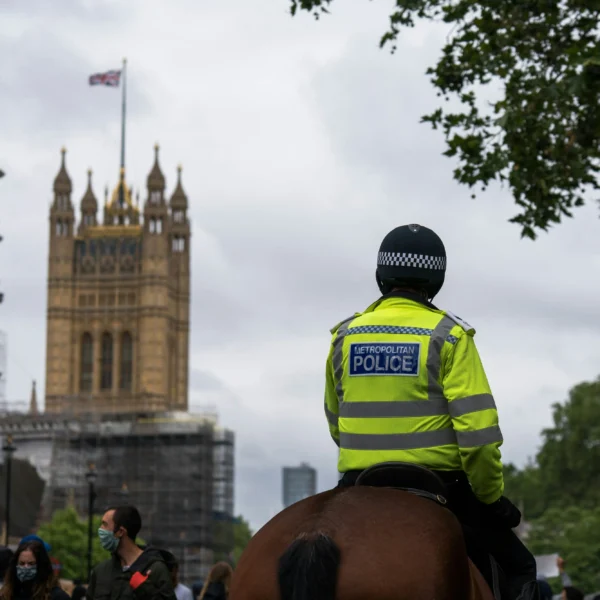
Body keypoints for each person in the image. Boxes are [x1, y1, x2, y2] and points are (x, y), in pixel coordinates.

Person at [324, 224, 539, 600]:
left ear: (381, 277)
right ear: (436, 280)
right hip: (442, 489)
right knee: (520, 566)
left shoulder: (346, 335)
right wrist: (491, 499)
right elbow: (479, 438)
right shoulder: (449, 336)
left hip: (357, 483)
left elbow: (335, 420)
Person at [86, 505, 176, 600]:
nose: (100, 529)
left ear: (121, 532)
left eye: (105, 524)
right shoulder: (101, 571)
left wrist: (145, 589)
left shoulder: (155, 570)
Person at [0, 540, 69, 600]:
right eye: (22, 563)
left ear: (42, 566)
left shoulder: (57, 597)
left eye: (31, 563)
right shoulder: (6, 595)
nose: (26, 567)